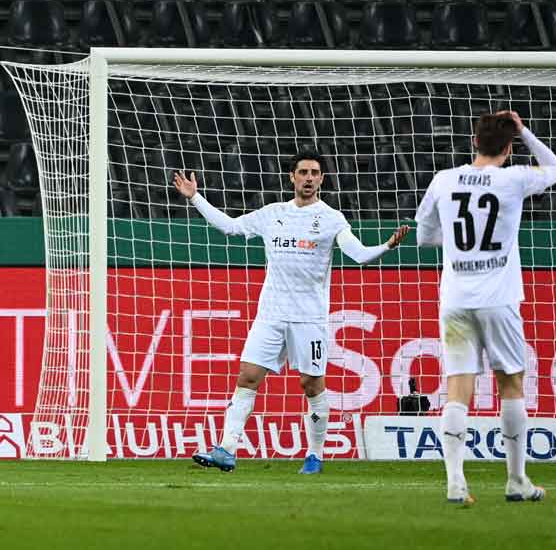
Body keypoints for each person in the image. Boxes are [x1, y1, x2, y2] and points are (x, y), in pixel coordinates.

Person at [173, 153, 409, 474]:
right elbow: (229, 227)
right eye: (303, 172)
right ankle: (227, 449)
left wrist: (386, 246)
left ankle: (314, 455)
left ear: (322, 179)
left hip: (308, 318)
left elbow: (359, 255)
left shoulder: (331, 218)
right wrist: (195, 198)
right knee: (248, 377)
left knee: (311, 385)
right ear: (292, 177)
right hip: (271, 314)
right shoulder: (273, 214)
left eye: (314, 173)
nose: (308, 178)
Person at [415, 111, 556, 504]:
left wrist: (453, 244)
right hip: (499, 300)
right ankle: (516, 481)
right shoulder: (514, 178)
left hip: (456, 300)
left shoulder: (444, 180)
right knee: (510, 383)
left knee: (458, 387)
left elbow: (424, 233)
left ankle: (455, 482)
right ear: (509, 147)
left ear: (474, 142)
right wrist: (526, 130)